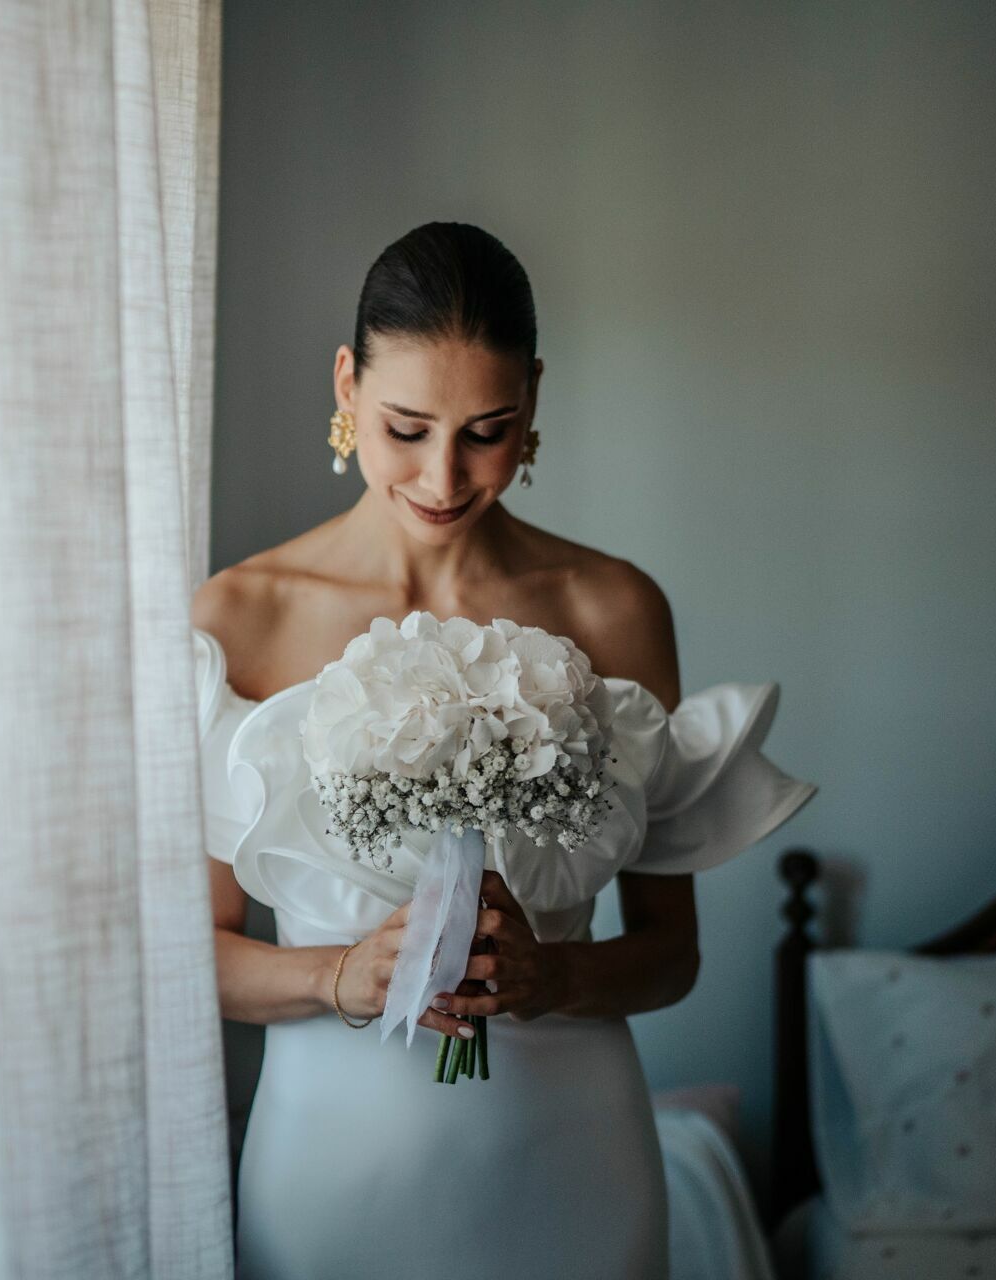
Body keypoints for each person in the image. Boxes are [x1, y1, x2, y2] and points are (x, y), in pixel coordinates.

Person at [190, 221, 816, 1279]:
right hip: (332, 1164)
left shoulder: (613, 608)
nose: (444, 475)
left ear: (533, 401)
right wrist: (340, 973)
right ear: (347, 385)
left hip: (570, 1154)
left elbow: (673, 952)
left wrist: (552, 971)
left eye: (487, 429)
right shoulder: (242, 615)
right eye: (406, 426)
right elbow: (192, 955)